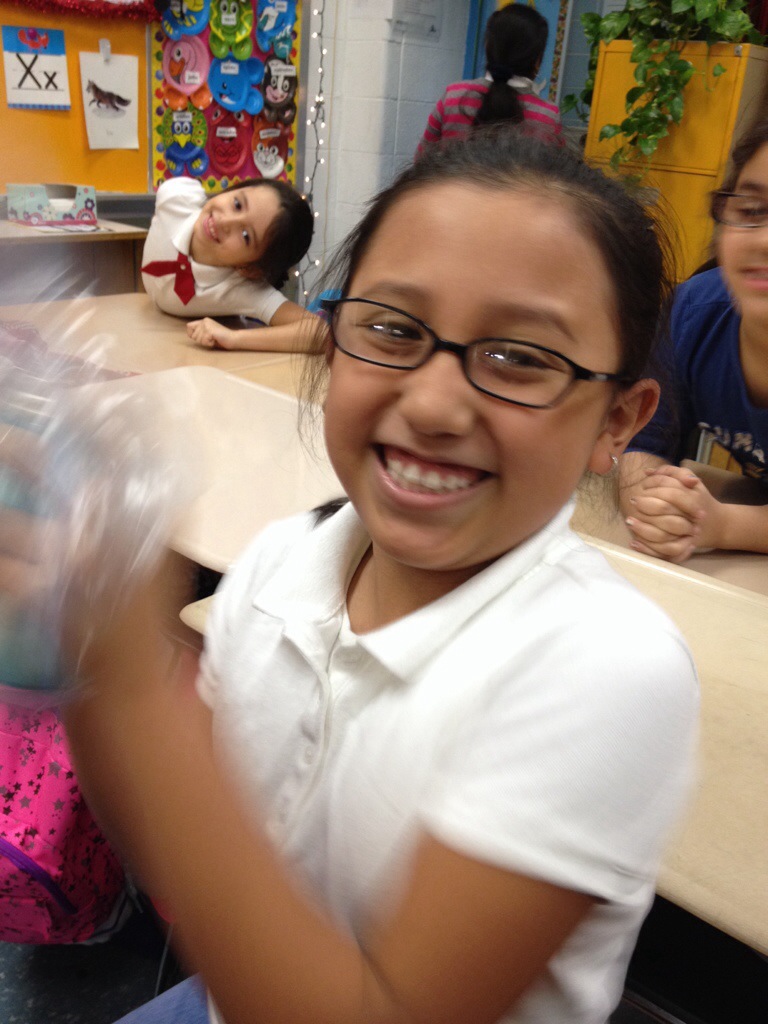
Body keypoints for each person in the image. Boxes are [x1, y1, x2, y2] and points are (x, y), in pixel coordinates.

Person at [13, 130, 698, 1024]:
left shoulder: (608, 668)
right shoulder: (279, 563)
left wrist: (128, 677)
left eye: (521, 358)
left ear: (619, 420)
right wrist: (77, 638)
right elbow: (184, 844)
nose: (435, 403)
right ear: (333, 340)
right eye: (393, 330)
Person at [621, 117, 768, 562]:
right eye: (752, 211)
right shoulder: (694, 314)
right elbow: (641, 441)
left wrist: (723, 524)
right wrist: (658, 508)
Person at [141, 176, 318, 352]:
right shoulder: (177, 198)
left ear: (252, 269)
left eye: (246, 236)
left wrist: (234, 338)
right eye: (237, 204)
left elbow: (319, 333)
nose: (224, 221)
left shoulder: (243, 289)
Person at [416, 4, 560, 158]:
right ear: (538, 60)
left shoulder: (454, 96)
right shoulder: (548, 117)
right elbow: (553, 171)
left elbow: (421, 159)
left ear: (487, 46)